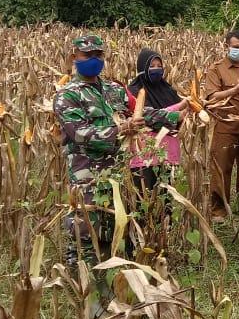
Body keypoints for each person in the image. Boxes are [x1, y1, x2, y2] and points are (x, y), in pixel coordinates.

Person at [54, 35, 181, 304]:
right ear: (73, 58)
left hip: (118, 171)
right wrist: (120, 129)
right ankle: (81, 286)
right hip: (87, 173)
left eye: (98, 55)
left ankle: (111, 283)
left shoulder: (114, 89)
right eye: (86, 56)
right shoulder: (67, 96)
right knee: (86, 228)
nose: (93, 60)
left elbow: (140, 112)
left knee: (114, 225)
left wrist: (173, 116)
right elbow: (79, 133)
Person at [126, 48, 188, 252]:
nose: (156, 69)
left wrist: (190, 108)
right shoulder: (133, 92)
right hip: (143, 157)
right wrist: (176, 113)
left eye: (159, 65)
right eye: (151, 66)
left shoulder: (169, 91)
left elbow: (184, 117)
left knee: (165, 203)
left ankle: (161, 247)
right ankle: (136, 249)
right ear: (141, 68)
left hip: (168, 156)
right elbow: (145, 116)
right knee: (141, 203)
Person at [203, 30, 239, 218]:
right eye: (236, 47)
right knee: (221, 170)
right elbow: (211, 98)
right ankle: (219, 211)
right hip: (225, 126)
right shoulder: (216, 69)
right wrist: (234, 90)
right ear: (227, 46)